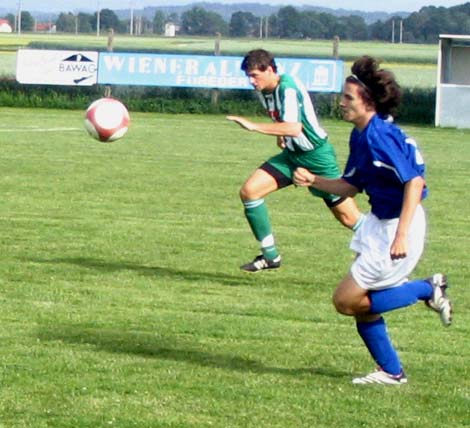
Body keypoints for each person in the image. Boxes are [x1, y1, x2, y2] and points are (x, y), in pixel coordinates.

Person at [293, 55, 452, 385]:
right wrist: (314, 181)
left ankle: (427, 288)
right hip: (380, 223)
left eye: (348, 97)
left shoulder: (379, 136)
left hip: (397, 225)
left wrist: (402, 235)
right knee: (363, 305)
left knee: (345, 300)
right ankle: (392, 372)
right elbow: (352, 184)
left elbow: (415, 182)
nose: (341, 102)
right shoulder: (362, 135)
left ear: (367, 102)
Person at [226, 49, 363, 272]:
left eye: (255, 75)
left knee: (348, 218)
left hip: (316, 157)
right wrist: (281, 135)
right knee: (250, 191)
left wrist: (255, 126)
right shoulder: (266, 89)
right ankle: (270, 256)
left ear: (269, 70)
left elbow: (294, 127)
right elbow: (284, 122)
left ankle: (387, 243)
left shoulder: (287, 88)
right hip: (292, 156)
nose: (251, 81)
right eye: (249, 76)